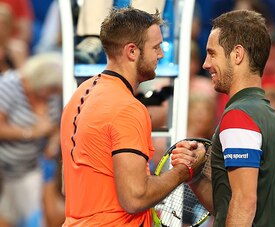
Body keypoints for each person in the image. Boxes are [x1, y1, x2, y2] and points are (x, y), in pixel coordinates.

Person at [60, 7, 205, 226]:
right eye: (155, 47)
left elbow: (67, 186)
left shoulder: (79, 97)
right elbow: (135, 198)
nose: (161, 54)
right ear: (132, 52)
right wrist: (184, 171)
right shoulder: (127, 108)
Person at [172, 10, 275, 226]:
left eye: (212, 53)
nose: (205, 64)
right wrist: (196, 175)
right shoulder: (268, 115)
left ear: (237, 55)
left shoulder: (239, 117)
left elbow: (244, 204)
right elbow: (226, 208)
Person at [0, 52, 63, 227]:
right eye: (51, 89)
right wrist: (31, 132)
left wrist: (53, 140)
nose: (52, 94)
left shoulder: (51, 94)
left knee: (18, 214)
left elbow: (55, 126)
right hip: (10, 168)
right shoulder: (8, 85)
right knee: (20, 215)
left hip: (38, 165)